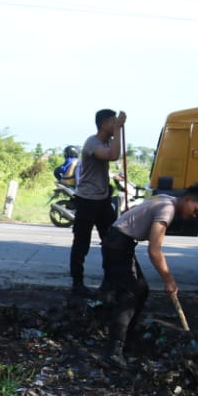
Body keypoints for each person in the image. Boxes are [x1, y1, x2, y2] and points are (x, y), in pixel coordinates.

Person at [99, 186, 198, 369]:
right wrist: (169, 280)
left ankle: (127, 340)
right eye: (195, 210)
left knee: (140, 291)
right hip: (117, 244)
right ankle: (113, 352)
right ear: (188, 199)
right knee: (129, 297)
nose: (194, 215)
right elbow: (154, 250)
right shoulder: (168, 209)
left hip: (119, 242)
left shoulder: (165, 199)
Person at [70, 109, 127, 297]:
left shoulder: (107, 141)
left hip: (102, 199)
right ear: (103, 124)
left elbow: (116, 152)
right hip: (87, 199)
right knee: (81, 242)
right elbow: (112, 155)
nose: (115, 124)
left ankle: (109, 282)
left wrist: (117, 130)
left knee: (111, 242)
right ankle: (77, 283)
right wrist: (118, 130)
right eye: (112, 122)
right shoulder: (92, 143)